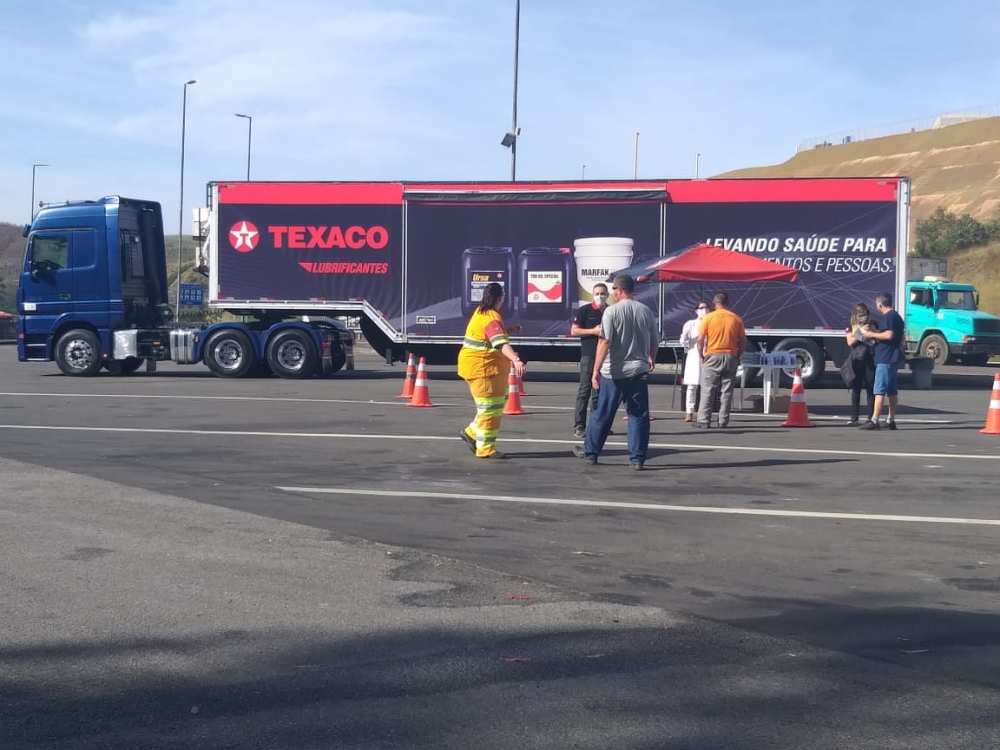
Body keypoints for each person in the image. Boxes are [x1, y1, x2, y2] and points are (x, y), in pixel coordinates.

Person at [572, 274, 659, 470]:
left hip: (614, 372)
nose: (611, 294)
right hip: (638, 371)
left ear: (619, 290)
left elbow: (604, 342)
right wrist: (651, 357)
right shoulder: (645, 311)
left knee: (602, 413)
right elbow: (655, 341)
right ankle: (637, 458)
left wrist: (595, 370)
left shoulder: (611, 312)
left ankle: (591, 452)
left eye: (612, 290)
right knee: (638, 415)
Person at [457, 282, 525, 458]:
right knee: (490, 409)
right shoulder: (491, 317)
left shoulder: (482, 312)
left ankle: (471, 433)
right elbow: (500, 343)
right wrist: (516, 359)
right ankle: (485, 448)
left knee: (491, 406)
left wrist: (508, 329)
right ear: (500, 298)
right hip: (483, 369)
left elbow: (490, 335)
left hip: (480, 367)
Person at [695, 292, 746, 429]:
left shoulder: (708, 318)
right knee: (727, 391)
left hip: (713, 355)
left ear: (714, 303)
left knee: (708, 389)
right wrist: (737, 355)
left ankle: (704, 420)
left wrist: (701, 355)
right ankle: (723, 420)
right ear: (727, 303)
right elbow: (743, 341)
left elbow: (700, 340)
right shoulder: (736, 318)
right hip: (730, 355)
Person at [859, 291, 905, 430]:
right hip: (893, 357)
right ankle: (890, 420)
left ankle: (874, 420)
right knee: (891, 391)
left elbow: (889, 334)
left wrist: (870, 334)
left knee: (879, 389)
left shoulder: (888, 317)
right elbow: (892, 334)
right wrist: (877, 331)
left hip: (886, 357)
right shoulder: (896, 317)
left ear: (880, 304)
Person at [570, 283, 609, 438]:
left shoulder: (610, 311)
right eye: (597, 293)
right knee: (585, 390)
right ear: (593, 295)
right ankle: (579, 426)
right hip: (589, 356)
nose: (600, 296)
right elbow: (574, 331)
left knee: (599, 392)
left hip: (606, 358)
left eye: (603, 293)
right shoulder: (584, 311)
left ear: (607, 295)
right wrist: (593, 331)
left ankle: (597, 424)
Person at [841, 302, 877, 425]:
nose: (864, 317)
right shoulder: (851, 325)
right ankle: (854, 416)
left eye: (865, 314)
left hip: (870, 358)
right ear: (856, 315)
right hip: (856, 358)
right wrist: (860, 332)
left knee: (870, 387)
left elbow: (877, 337)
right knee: (856, 388)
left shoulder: (872, 324)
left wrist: (872, 330)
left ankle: (870, 417)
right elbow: (850, 341)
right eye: (861, 315)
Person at [680, 301, 709, 422]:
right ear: (696, 311)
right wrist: (686, 337)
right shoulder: (690, 324)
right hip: (693, 356)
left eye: (706, 308)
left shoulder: (710, 322)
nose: (705, 310)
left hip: (708, 356)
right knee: (692, 386)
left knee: (706, 387)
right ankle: (689, 412)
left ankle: (703, 412)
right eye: (702, 308)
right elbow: (683, 341)